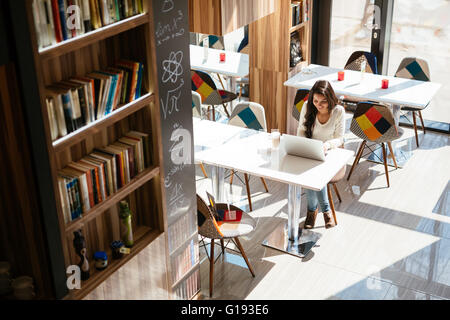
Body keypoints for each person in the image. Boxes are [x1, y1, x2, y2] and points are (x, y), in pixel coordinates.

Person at [297, 80, 345, 229]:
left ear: (330, 99)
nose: (318, 105)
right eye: (316, 101)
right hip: (311, 151)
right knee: (313, 169)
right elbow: (301, 131)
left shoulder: (338, 111)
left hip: (330, 153)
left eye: (323, 101)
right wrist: (307, 146)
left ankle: (313, 211)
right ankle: (325, 211)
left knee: (316, 172)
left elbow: (340, 138)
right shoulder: (307, 106)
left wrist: (327, 145)